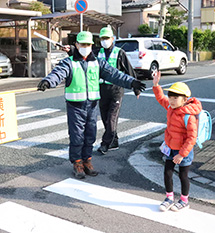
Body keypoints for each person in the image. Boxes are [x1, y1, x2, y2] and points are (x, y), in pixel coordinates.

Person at [37, 31, 146, 179]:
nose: (85, 47)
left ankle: (87, 161)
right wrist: (48, 81)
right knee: (77, 137)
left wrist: (132, 82)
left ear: (91, 45)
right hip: (75, 107)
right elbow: (58, 73)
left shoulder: (98, 63)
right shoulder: (69, 62)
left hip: (93, 106)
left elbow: (114, 74)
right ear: (76, 45)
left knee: (90, 135)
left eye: (88, 44)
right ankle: (77, 163)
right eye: (82, 44)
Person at [152, 71, 202, 211]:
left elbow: (192, 137)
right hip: (170, 147)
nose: (171, 100)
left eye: (175, 98)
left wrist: (181, 154)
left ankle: (184, 200)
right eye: (170, 97)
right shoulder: (170, 107)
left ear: (185, 99)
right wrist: (156, 84)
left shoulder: (189, 116)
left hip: (183, 151)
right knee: (167, 173)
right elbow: (161, 98)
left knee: (183, 175)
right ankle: (169, 198)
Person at [96, 26, 138, 155]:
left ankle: (105, 143)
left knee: (111, 118)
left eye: (107, 38)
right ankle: (114, 141)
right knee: (104, 117)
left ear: (112, 39)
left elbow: (129, 71)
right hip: (102, 89)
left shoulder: (119, 53)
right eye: (102, 38)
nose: (104, 40)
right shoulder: (98, 52)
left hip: (116, 90)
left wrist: (135, 87)